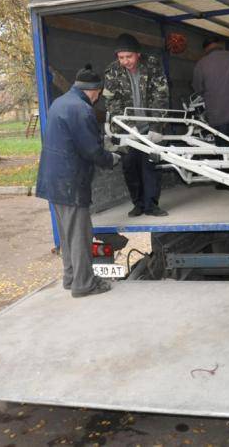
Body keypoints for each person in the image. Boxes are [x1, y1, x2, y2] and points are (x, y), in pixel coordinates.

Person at [36, 64, 120, 298]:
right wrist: (111, 158)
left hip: (53, 180)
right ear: (94, 90)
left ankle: (71, 277)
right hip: (70, 182)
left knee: (67, 234)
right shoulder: (81, 110)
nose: (97, 98)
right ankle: (84, 285)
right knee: (80, 235)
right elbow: (91, 150)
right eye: (98, 94)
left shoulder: (60, 102)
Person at [104, 33, 170, 217]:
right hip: (126, 130)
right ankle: (138, 204)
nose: (125, 61)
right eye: (121, 57)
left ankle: (151, 205)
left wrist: (157, 126)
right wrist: (129, 126)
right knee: (130, 166)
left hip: (149, 126)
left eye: (129, 56)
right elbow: (112, 102)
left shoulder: (153, 66)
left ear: (138, 54)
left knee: (150, 165)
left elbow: (161, 96)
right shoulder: (112, 71)